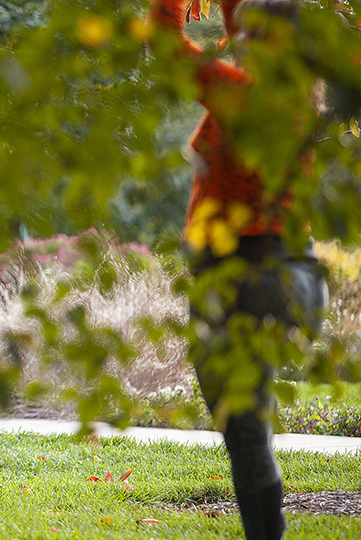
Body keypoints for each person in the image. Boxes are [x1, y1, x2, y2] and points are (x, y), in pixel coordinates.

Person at [150, 1, 329, 539]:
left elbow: (166, 46)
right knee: (249, 428)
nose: (235, 38)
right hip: (291, 274)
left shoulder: (241, 94)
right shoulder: (298, 93)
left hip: (240, 275)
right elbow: (244, 23)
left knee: (242, 428)